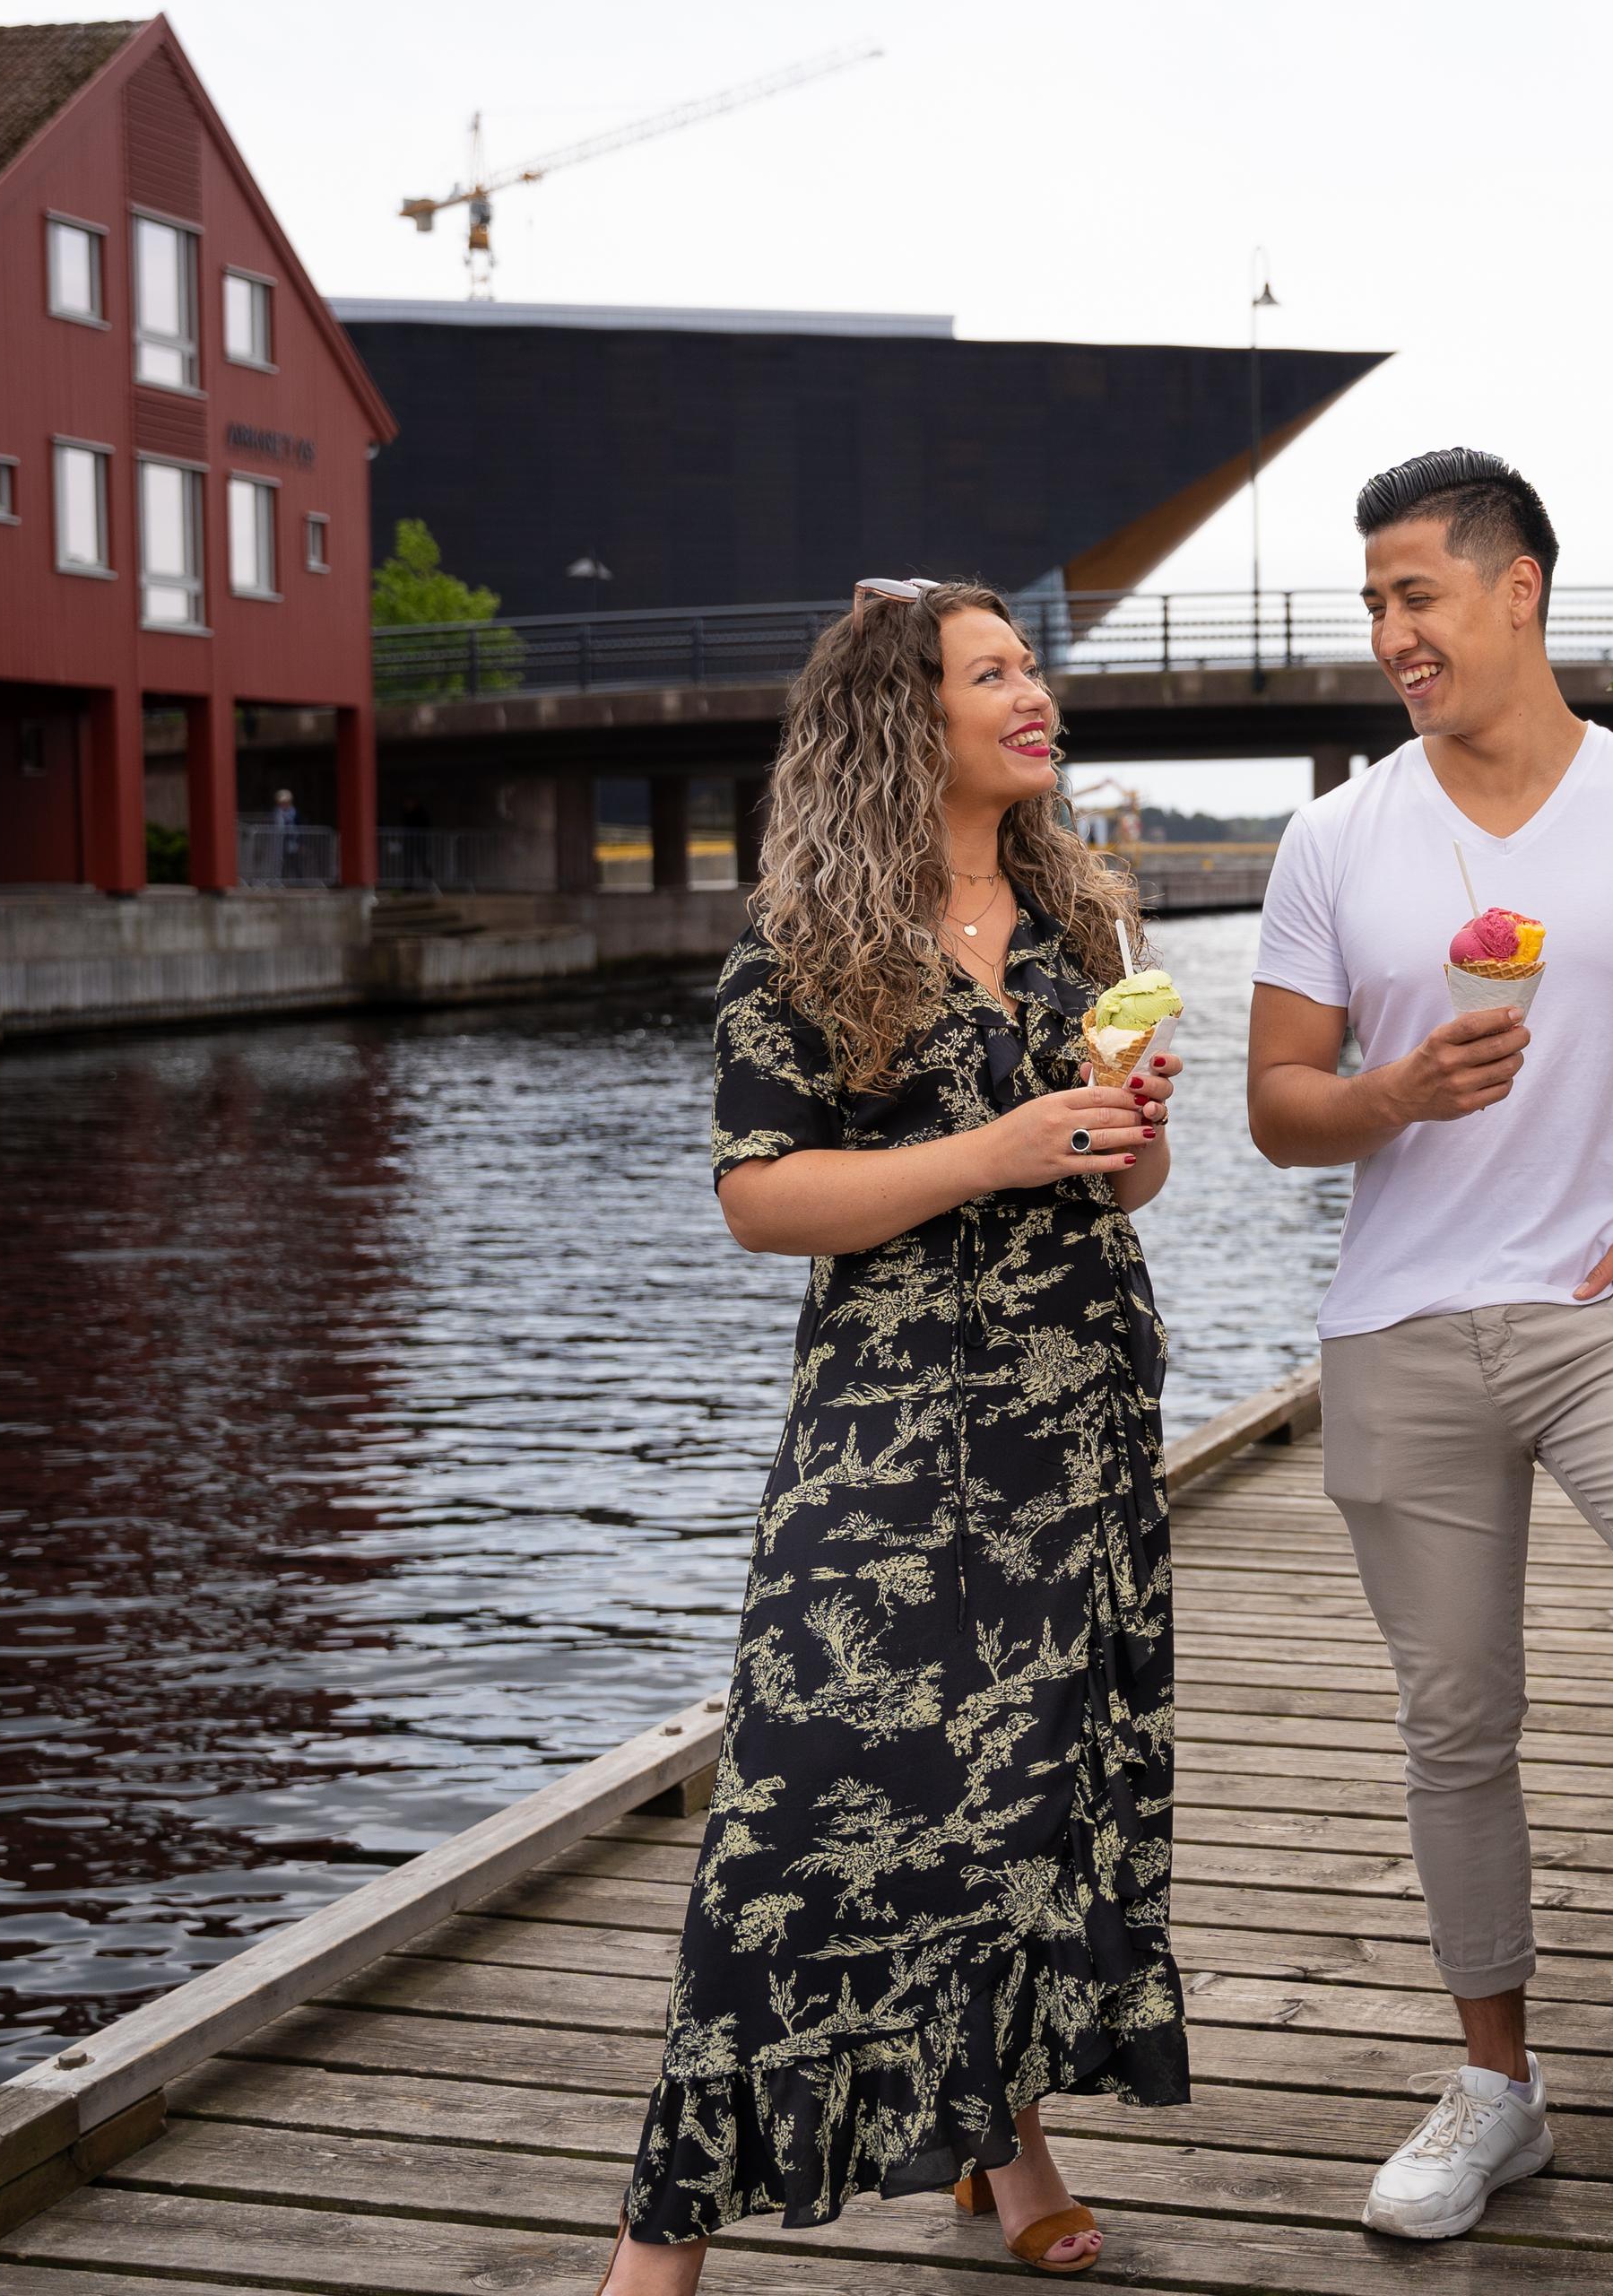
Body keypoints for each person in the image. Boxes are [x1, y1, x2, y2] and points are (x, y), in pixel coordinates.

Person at [1247, 449, 1613, 2241]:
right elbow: (1277, 1105)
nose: (1391, 633)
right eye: (1374, 602)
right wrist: (1393, 1092)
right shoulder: (1335, 838)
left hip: (1606, 1309)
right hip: (1400, 1322)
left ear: (1518, 589)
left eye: (1417, 594)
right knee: (1459, 1717)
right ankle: (1494, 2088)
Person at [601, 578, 1190, 2291]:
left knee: (1028, 1803)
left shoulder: (1085, 924)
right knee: (793, 1821)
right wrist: (994, 1151)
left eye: (1031, 665)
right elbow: (760, 1198)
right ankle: (658, 2245)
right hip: (893, 1439)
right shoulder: (804, 943)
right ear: (901, 721)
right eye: (991, 671)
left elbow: (1126, 1185)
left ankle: (1008, 2144)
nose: (1033, 691)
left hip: (1077, 1423)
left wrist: (1129, 1129)